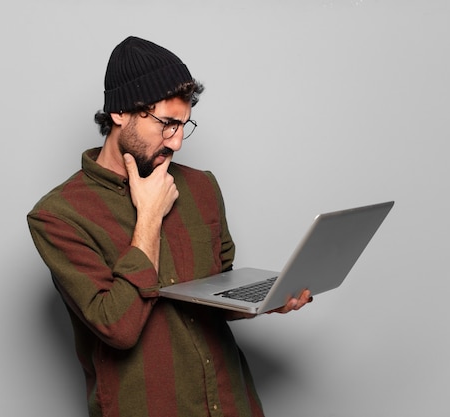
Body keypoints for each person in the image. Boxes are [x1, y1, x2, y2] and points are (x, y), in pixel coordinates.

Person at [27, 36, 313, 417]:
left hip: (232, 403)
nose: (176, 141)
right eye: (166, 124)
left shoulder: (201, 187)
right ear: (120, 113)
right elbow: (119, 327)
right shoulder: (59, 215)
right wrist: (148, 216)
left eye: (184, 124)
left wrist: (266, 300)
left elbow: (216, 294)